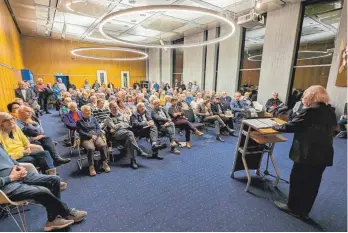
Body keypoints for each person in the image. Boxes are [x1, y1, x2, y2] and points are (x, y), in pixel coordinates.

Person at [272, 85, 336, 219]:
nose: (303, 98)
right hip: (323, 154)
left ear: (311, 96)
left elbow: (293, 125)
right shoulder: (330, 111)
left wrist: (276, 126)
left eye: (305, 95)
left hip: (308, 154)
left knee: (297, 180)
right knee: (313, 184)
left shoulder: (310, 111)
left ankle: (293, 208)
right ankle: (304, 212)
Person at [0, 145, 87, 231]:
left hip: (18, 174)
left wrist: (18, 166)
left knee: (54, 180)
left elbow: (8, 157)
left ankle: (53, 219)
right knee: (43, 191)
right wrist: (11, 178)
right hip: (6, 186)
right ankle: (66, 212)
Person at [0, 112, 67, 190]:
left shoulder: (16, 128)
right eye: (7, 120)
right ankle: (48, 182)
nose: (11, 121)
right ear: (1, 123)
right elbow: (5, 155)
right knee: (33, 160)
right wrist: (22, 153)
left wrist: (27, 147)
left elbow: (25, 140)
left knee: (44, 153)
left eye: (12, 119)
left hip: (24, 152)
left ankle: (53, 178)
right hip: (14, 158)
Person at [104, 102, 148, 169]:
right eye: (113, 107)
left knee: (129, 137)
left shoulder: (121, 114)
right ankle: (138, 150)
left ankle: (133, 160)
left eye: (116, 106)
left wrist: (119, 125)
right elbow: (114, 127)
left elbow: (127, 123)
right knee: (130, 133)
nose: (115, 108)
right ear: (110, 108)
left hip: (125, 132)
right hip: (115, 134)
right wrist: (121, 124)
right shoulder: (108, 118)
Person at [77, 105, 110, 177]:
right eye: (86, 111)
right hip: (86, 139)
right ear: (82, 112)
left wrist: (95, 135)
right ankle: (91, 166)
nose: (88, 112)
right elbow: (80, 132)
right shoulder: (79, 122)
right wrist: (90, 136)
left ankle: (104, 162)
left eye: (89, 110)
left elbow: (98, 128)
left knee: (103, 145)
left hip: (96, 136)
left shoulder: (94, 119)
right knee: (91, 148)